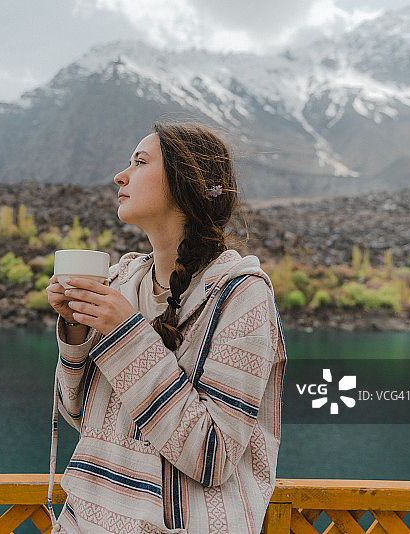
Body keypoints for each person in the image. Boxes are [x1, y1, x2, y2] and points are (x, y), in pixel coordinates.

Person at [46, 121, 287, 533]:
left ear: (185, 184)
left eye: (140, 162)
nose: (120, 176)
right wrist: (75, 329)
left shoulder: (241, 296)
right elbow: (76, 413)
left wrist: (126, 333)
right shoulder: (121, 283)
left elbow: (212, 457)